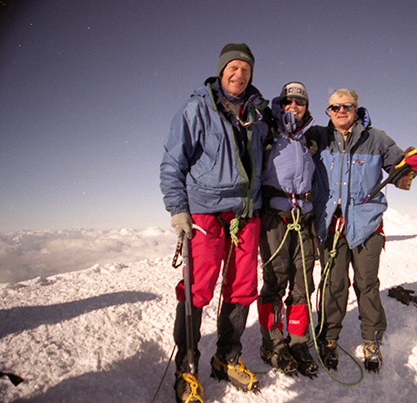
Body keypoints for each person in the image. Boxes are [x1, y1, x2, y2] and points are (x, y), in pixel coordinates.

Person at [160, 43, 270, 403]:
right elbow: (172, 163)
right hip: (205, 210)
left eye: (246, 69)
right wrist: (178, 208)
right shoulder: (196, 109)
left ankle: (226, 357)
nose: (239, 75)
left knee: (242, 287)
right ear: (222, 71)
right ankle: (186, 368)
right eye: (233, 68)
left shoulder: (257, 114)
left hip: (245, 212)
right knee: (198, 287)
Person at [306, 88, 417, 372]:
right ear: (329, 112)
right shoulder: (318, 137)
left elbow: (401, 176)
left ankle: (372, 340)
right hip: (331, 225)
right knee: (333, 284)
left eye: (347, 106)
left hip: (367, 225)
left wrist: (411, 166)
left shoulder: (377, 139)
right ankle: (328, 339)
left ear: (357, 109)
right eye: (334, 107)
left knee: (366, 285)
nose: (341, 111)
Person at [257, 82, 318, 377]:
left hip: (303, 220)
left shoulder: (308, 140)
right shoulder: (268, 131)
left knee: (303, 285)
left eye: (300, 102)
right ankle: (273, 342)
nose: (293, 106)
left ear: (306, 107)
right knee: (275, 282)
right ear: (280, 104)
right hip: (275, 218)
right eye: (288, 101)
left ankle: (298, 341)